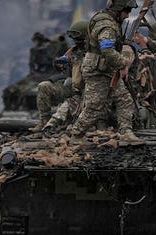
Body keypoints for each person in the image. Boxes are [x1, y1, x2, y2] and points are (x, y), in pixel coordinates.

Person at [69, 0, 143, 144]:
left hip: (107, 68)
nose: (127, 16)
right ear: (117, 10)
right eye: (126, 12)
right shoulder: (107, 25)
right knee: (95, 107)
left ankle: (126, 133)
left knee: (124, 100)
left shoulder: (108, 20)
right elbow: (107, 50)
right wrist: (123, 64)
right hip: (98, 71)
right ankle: (76, 134)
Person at [33, 20, 89, 131]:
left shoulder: (94, 52)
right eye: (74, 40)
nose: (76, 42)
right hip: (70, 86)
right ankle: (44, 120)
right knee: (44, 86)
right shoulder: (73, 51)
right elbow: (62, 61)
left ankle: (53, 123)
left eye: (78, 39)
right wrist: (59, 64)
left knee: (71, 98)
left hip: (85, 90)